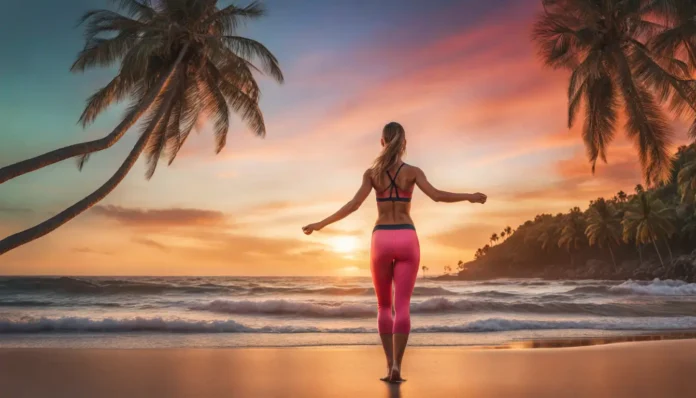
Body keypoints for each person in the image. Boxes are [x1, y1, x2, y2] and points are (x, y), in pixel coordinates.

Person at [302, 122, 487, 383]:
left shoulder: (371, 174)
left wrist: (320, 224)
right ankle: (399, 366)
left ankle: (389, 366)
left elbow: (353, 205)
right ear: (404, 144)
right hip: (407, 237)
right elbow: (436, 196)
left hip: (381, 238)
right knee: (402, 306)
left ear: (381, 142)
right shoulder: (412, 172)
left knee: (383, 305)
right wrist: (469, 196)